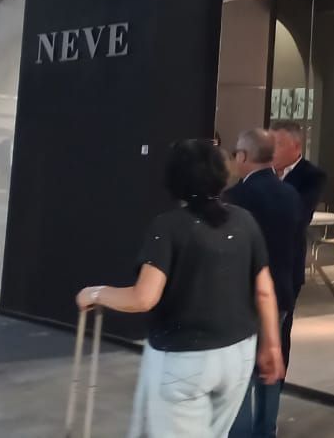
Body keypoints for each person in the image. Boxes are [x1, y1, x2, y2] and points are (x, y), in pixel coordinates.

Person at [75, 139, 283, 438]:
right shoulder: (244, 221)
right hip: (239, 354)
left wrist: (95, 293)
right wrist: (272, 345)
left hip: (184, 358)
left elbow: (144, 297)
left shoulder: (168, 227)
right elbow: (264, 290)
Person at [226, 129, 304, 438]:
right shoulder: (290, 194)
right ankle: (266, 430)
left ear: (244, 156)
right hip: (281, 293)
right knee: (271, 365)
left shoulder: (236, 198)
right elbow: (297, 249)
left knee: (241, 371)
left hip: (244, 297)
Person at [271, 120, 326, 228]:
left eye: (278, 144)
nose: (270, 150)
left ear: (297, 147)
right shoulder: (259, 170)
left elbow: (299, 214)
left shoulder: (313, 176)